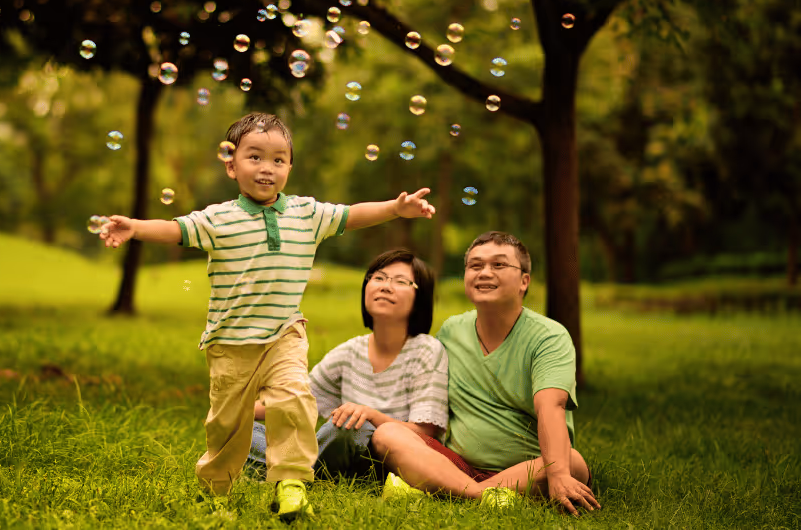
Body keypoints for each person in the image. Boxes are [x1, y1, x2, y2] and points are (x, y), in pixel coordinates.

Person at [98, 112, 436, 521]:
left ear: (290, 168)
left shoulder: (307, 215)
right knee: (228, 426)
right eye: (255, 157)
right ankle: (215, 491)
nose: (267, 168)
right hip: (230, 342)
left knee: (294, 399)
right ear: (231, 164)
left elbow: (352, 214)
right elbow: (174, 229)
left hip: (284, 335)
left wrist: (395, 208)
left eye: (279, 160)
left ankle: (291, 483)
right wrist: (134, 226)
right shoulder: (217, 219)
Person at [371, 231, 601, 517]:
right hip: (454, 463)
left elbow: (550, 408)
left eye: (499, 265)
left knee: (572, 464)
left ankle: (446, 490)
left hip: (527, 468)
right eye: (475, 265)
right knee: (387, 435)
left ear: (524, 281)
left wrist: (558, 475)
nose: (484, 273)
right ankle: (481, 495)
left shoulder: (549, 337)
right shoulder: (451, 331)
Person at [247, 249, 448, 481]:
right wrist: (238, 412)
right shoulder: (350, 351)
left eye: (401, 281)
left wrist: (370, 415)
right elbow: (297, 401)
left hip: (388, 463)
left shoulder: (427, 351)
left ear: (420, 298)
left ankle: (291, 472)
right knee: (247, 432)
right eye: (379, 278)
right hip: (338, 458)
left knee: (347, 427)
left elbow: (425, 435)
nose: (385, 286)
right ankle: (303, 474)